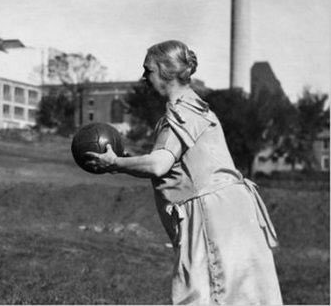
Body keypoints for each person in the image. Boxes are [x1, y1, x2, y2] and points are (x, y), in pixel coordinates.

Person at [86, 40, 282, 305]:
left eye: (148, 70)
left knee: (206, 297)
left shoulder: (181, 112)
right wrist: (124, 162)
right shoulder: (198, 106)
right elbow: (170, 168)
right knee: (242, 297)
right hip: (231, 212)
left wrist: (114, 163)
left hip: (213, 216)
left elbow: (158, 165)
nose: (144, 78)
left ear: (166, 71)